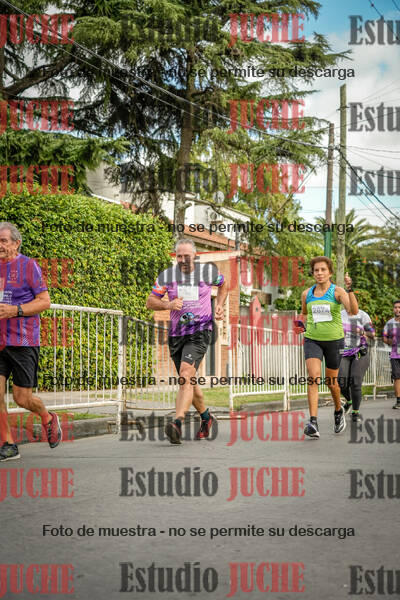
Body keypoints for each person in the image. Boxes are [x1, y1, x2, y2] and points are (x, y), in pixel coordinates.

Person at [146, 239, 228, 444]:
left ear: (195, 256)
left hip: (200, 331)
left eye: (187, 256)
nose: (183, 260)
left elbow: (224, 284)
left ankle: (177, 423)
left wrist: (219, 305)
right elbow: (150, 302)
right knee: (189, 380)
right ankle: (207, 417)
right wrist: (168, 304)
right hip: (177, 335)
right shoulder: (167, 277)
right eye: (179, 256)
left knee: (184, 375)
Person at [0, 222, 62, 461]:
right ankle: (8, 444)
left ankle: (47, 417)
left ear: (16, 243)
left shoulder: (28, 266)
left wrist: (15, 310)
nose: (0, 245)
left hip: (23, 341)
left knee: (22, 398)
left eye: (4, 241)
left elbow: (44, 301)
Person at [294, 256, 358, 439]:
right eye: (316, 270)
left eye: (323, 270)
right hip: (312, 340)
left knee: (331, 382)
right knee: (313, 377)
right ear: (313, 273)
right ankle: (313, 422)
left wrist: (350, 290)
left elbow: (353, 311)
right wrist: (299, 324)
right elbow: (304, 314)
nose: (319, 273)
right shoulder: (306, 294)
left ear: (329, 272)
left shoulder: (337, 292)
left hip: (334, 341)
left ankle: (338, 410)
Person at [339, 308, 375, 422]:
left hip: (359, 352)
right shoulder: (339, 314)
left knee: (355, 382)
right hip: (343, 352)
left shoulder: (363, 315)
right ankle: (349, 401)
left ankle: (355, 412)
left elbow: (372, 333)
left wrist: (361, 331)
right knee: (341, 382)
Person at [382, 300, 400, 409]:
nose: (397, 309)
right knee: (397, 377)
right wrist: (390, 341)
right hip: (395, 355)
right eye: (395, 307)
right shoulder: (389, 323)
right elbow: (384, 337)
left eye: (399, 307)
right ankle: (398, 401)